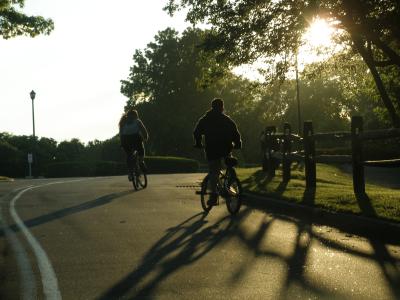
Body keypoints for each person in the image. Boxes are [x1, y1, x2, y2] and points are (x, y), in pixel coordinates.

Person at [193, 98, 242, 205]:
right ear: (222, 107)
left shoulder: (205, 119)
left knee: (214, 171)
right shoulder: (227, 120)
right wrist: (238, 144)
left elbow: (197, 132)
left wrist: (198, 143)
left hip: (212, 149)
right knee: (229, 161)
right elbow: (235, 133)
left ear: (212, 107)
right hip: (226, 148)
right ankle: (230, 181)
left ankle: (214, 195)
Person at [119, 109, 149, 181]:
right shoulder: (137, 121)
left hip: (125, 140)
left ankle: (130, 173)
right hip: (136, 138)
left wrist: (122, 143)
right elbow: (144, 130)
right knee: (141, 150)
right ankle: (141, 161)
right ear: (136, 116)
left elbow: (121, 134)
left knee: (129, 156)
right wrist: (146, 138)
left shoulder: (123, 122)